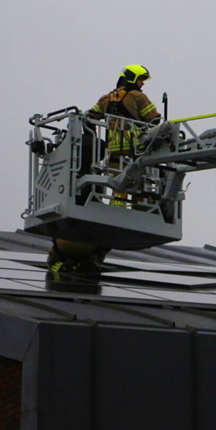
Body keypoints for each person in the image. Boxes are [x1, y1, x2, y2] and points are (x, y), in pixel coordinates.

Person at [46, 65, 161, 278]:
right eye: (141, 79)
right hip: (134, 149)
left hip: (112, 150)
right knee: (134, 183)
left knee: (116, 180)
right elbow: (154, 119)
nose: (142, 83)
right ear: (132, 78)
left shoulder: (106, 98)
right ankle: (132, 209)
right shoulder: (137, 96)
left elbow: (91, 117)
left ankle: (116, 207)